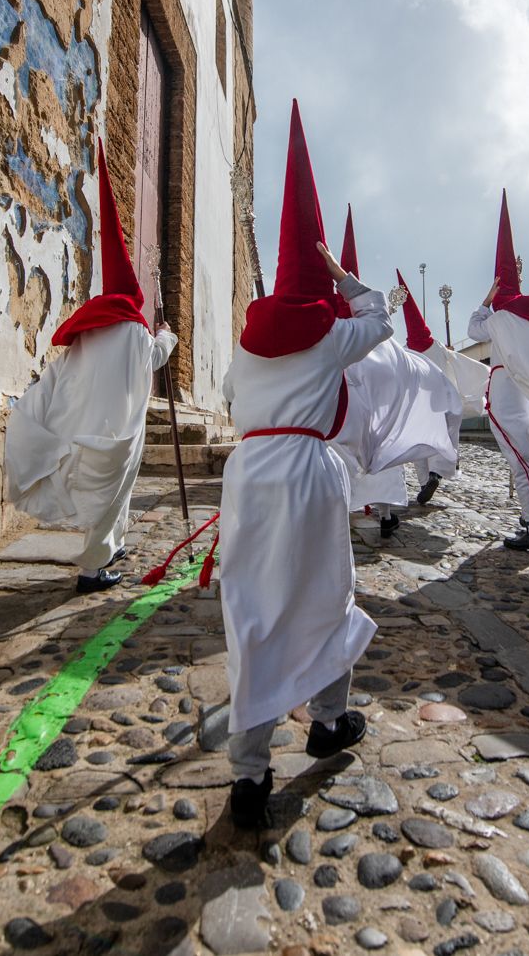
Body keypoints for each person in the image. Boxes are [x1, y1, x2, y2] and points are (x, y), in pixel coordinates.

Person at [219, 103, 388, 829]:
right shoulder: (329, 333)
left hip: (250, 470)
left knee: (252, 609)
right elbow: (383, 316)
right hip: (308, 469)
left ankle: (248, 774)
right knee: (325, 593)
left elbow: (230, 403)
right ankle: (327, 721)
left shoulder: (247, 340)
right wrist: (344, 278)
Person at [5, 142, 176, 593]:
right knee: (111, 493)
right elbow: (153, 358)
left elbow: (62, 372)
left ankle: (112, 546)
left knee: (114, 494)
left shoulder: (90, 330)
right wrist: (167, 335)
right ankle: (92, 571)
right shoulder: (138, 332)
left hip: (80, 422)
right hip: (118, 426)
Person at [330, 211, 461, 539]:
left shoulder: (337, 328)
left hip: (344, 399)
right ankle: (385, 512)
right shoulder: (378, 339)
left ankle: (344, 509)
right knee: (382, 451)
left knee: (344, 451)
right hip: (376, 404)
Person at [466, 192, 529, 555]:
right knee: (523, 458)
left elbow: (472, 329)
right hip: (525, 392)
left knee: (520, 459)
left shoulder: (498, 318)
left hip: (506, 395)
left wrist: (485, 299)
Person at [395, 269, 487, 505]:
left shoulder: (408, 353)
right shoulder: (438, 348)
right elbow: (461, 364)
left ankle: (426, 480)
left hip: (422, 406)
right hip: (447, 402)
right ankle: (437, 472)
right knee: (446, 438)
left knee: (419, 442)